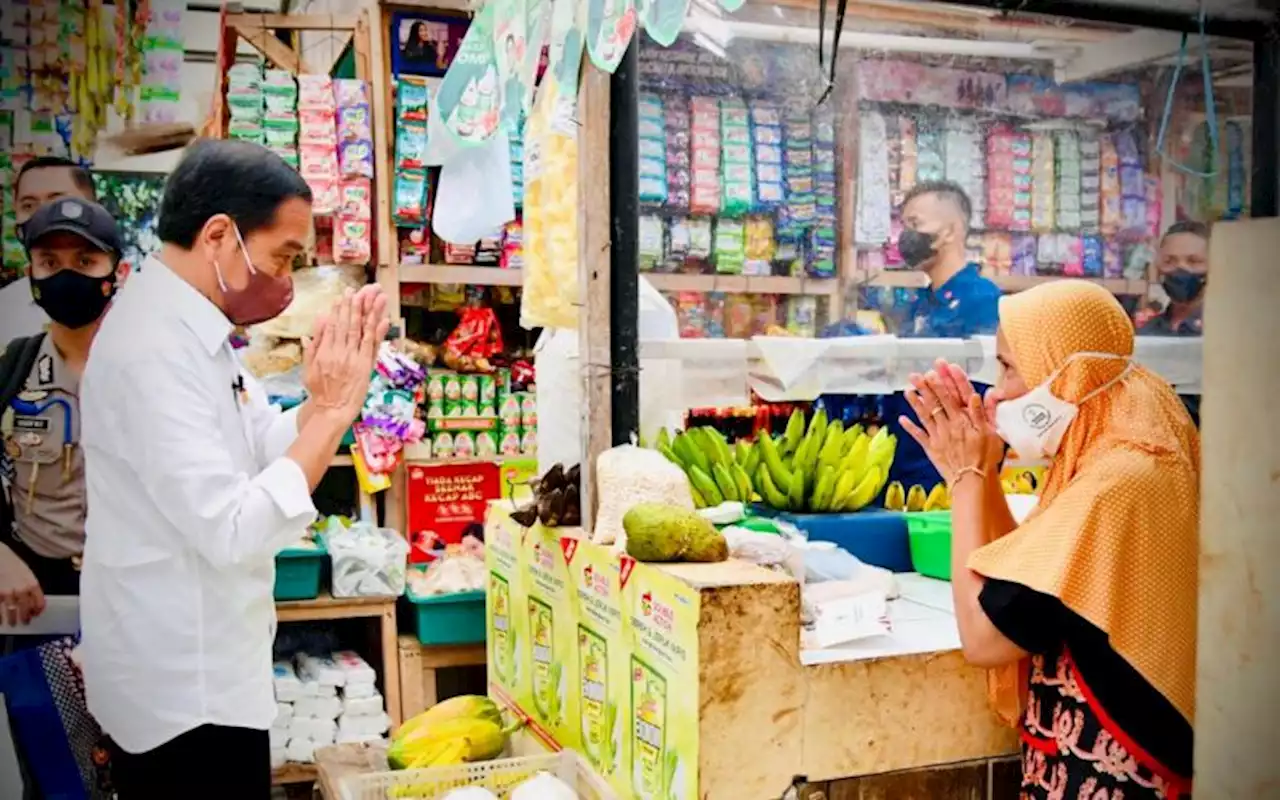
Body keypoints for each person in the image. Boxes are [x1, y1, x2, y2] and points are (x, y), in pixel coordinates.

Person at [79, 139, 389, 798]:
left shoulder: (201, 337)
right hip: (179, 697)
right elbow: (234, 527)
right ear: (220, 235)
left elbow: (262, 449)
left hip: (212, 674)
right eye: (282, 256)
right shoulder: (152, 349)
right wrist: (330, 419)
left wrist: (320, 402)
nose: (287, 280)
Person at [901, 280, 1197, 799]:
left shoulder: (1122, 477)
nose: (995, 391)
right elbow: (1021, 584)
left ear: (1069, 373)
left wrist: (967, 479)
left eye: (1010, 367)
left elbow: (986, 637)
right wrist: (984, 472)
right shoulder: (1110, 447)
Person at [0, 198, 128, 626]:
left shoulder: (152, 371)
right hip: (32, 594)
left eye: (86, 260)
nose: (66, 275)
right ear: (30, 274)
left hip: (134, 595)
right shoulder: (11, 367)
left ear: (118, 273)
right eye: (49, 261)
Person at [0, 156, 100, 343]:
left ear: (95, 209)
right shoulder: (5, 311)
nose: (42, 216)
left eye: (57, 202)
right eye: (28, 206)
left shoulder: (138, 309)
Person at [1140, 221, 1208, 337]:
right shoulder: (1147, 332)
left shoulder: (1225, 331)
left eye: (1193, 261)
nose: (1181, 268)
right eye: (1169, 261)